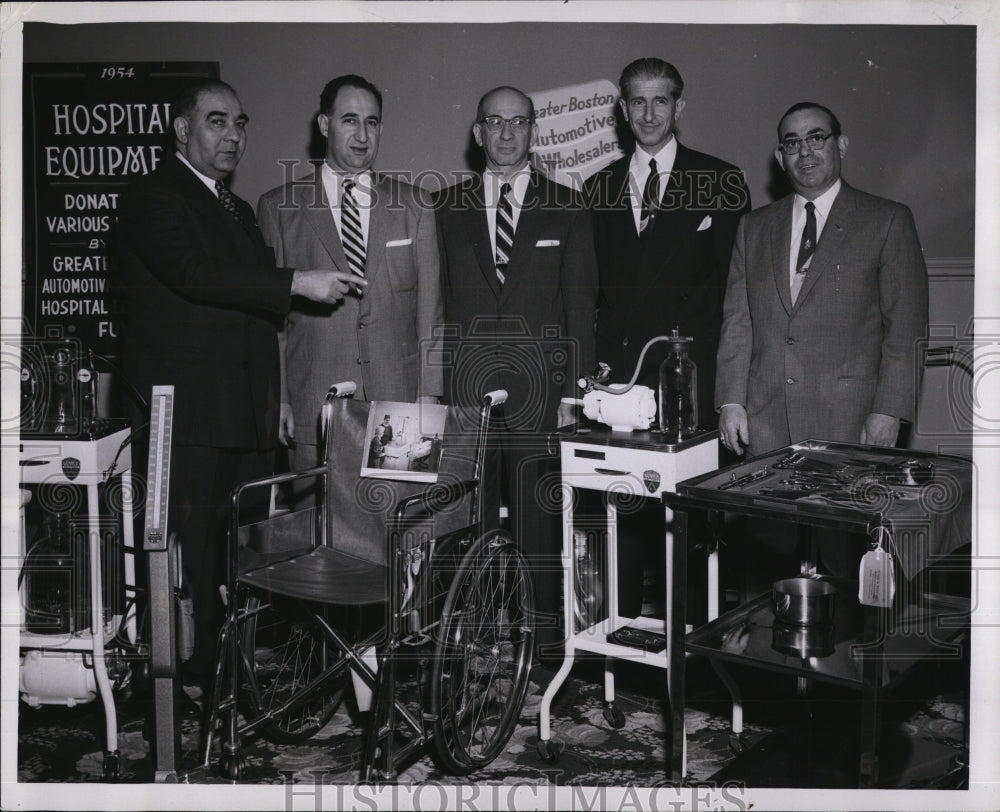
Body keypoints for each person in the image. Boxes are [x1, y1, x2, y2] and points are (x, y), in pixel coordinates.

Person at [117, 78, 357, 695]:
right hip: (191, 416)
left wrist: (274, 398)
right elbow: (195, 275)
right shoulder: (154, 196)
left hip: (242, 414)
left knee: (236, 555)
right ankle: (176, 686)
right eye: (216, 122)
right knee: (188, 558)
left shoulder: (235, 207)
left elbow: (248, 311)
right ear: (181, 129)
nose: (232, 136)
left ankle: (222, 676)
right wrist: (295, 281)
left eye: (240, 124)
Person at [434, 86, 599, 662]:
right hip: (465, 394)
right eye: (494, 122)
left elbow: (581, 308)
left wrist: (574, 394)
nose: (506, 134)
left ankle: (543, 651)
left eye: (519, 123)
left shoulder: (567, 206)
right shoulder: (445, 208)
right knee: (467, 521)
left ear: (534, 131)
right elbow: (437, 303)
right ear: (477, 132)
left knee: (537, 525)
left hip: (542, 396)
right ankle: (468, 644)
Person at [585, 58, 751, 619]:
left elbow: (736, 297)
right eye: (637, 101)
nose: (649, 113)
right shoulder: (599, 186)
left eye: (661, 101)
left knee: (690, 523)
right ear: (623, 110)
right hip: (622, 384)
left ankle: (695, 657)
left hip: (690, 379)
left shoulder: (721, 181)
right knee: (622, 519)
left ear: (679, 106)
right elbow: (595, 296)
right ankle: (620, 642)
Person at [716, 102, 928, 457]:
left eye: (817, 138)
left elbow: (906, 330)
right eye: (792, 143)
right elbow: (738, 322)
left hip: (851, 421)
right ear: (780, 157)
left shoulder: (887, 221)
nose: (805, 152)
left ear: (841, 145)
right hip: (765, 425)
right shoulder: (754, 226)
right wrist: (730, 402)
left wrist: (889, 411)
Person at [258, 74, 442, 479]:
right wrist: (281, 401)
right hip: (314, 404)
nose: (362, 134)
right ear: (325, 125)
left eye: (372, 122)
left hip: (400, 409)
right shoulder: (278, 208)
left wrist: (429, 395)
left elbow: (431, 313)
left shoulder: (415, 204)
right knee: (316, 531)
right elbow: (273, 319)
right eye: (349, 120)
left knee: (393, 529)